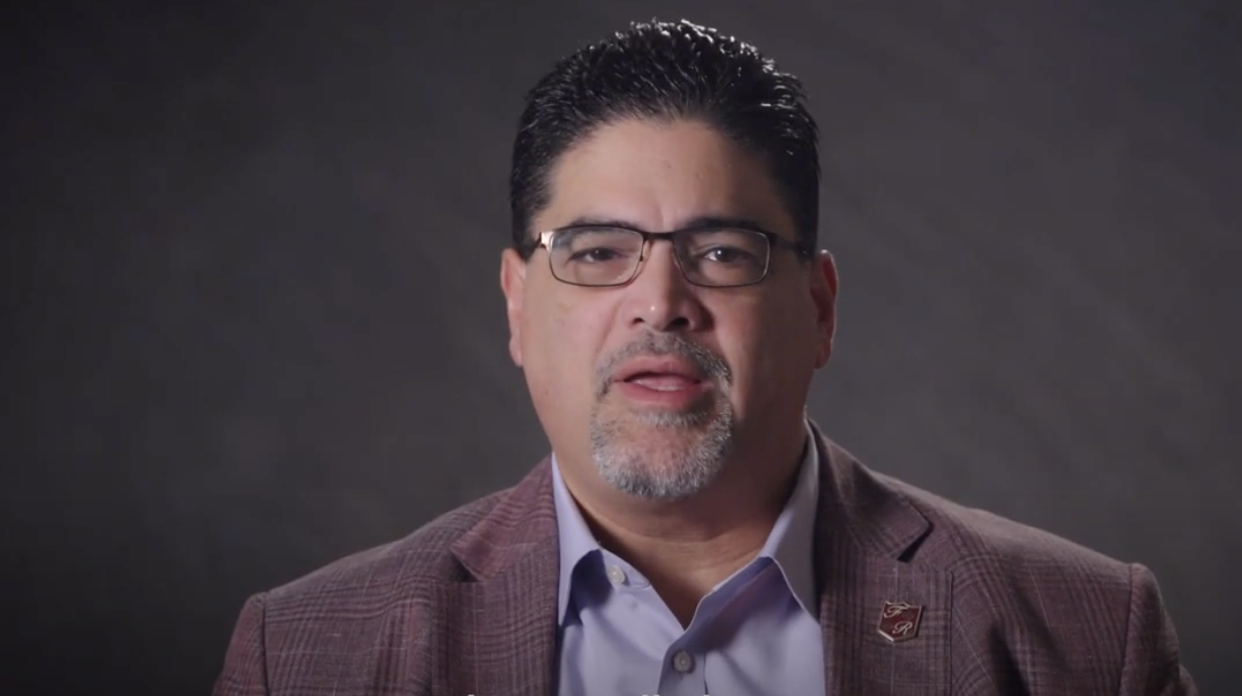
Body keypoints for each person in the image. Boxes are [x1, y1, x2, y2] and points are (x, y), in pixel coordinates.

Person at [214, 18, 1197, 696]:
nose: (661, 303)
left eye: (722, 252)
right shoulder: (308, 655)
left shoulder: (1080, 640)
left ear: (819, 308)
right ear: (517, 305)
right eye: (597, 253)